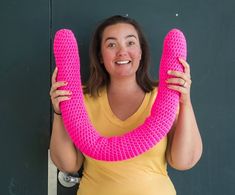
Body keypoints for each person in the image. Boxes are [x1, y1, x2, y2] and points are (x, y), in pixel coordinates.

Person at [49, 15, 203, 195]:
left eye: (130, 43)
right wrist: (59, 112)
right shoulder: (81, 99)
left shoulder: (162, 98)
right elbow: (68, 164)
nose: (122, 51)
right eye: (111, 44)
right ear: (100, 56)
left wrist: (185, 102)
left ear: (140, 52)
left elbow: (183, 161)